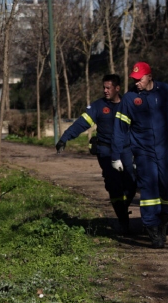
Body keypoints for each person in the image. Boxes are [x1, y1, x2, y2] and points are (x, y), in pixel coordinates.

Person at [112, 62, 168, 248]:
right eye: (134, 80)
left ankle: (164, 219)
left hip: (166, 149)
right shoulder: (130, 99)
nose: (137, 83)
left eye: (139, 79)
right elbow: (120, 129)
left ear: (149, 76)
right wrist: (116, 155)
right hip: (144, 152)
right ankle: (151, 228)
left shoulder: (166, 91)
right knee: (149, 189)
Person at [56, 74, 137, 233]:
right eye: (104, 88)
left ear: (117, 88)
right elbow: (81, 124)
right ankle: (123, 219)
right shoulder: (98, 106)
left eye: (109, 88)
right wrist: (64, 138)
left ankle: (122, 207)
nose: (105, 91)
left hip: (125, 149)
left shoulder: (128, 104)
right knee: (113, 185)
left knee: (131, 183)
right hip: (105, 150)